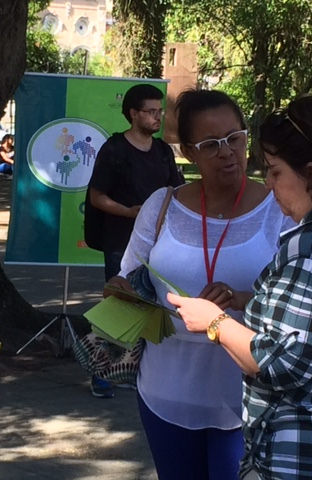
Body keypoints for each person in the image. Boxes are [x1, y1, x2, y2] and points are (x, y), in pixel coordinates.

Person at [168, 95, 312, 479]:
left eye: (276, 172)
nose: (269, 185)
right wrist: (254, 302)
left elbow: (278, 364)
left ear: (311, 174)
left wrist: (214, 322)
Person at [105, 89, 295, 479]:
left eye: (234, 138)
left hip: (247, 398)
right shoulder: (161, 205)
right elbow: (129, 279)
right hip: (164, 391)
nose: (227, 152)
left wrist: (243, 300)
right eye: (210, 144)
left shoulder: (281, 210)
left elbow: (299, 300)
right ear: (189, 152)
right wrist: (121, 291)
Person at [83, 83, 184, 398]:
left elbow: (177, 192)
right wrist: (130, 212)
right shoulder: (114, 149)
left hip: (160, 243)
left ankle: (141, 369)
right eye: (151, 112)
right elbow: (97, 197)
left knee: (158, 305)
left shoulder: (163, 151)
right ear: (133, 114)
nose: (157, 117)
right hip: (120, 240)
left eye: (159, 111)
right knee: (119, 304)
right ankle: (101, 372)